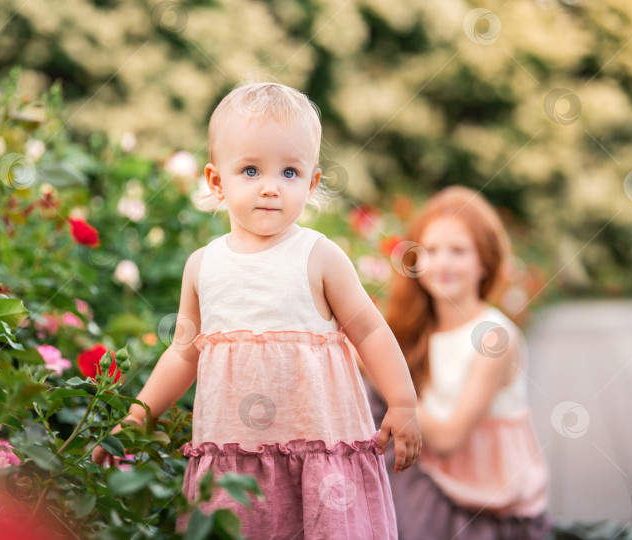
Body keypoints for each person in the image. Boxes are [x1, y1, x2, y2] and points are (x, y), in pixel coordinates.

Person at [93, 81, 421, 538]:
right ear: (216, 181)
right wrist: (138, 416)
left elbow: (369, 331)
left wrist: (402, 402)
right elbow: (183, 353)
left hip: (318, 456)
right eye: (250, 171)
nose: (270, 188)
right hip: (234, 462)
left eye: (289, 173)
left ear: (311, 183)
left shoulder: (319, 256)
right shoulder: (203, 266)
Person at [364, 186, 553, 540]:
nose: (443, 264)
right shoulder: (418, 327)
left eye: (458, 251)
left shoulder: (493, 336)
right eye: (431, 251)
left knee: (373, 387)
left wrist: (376, 371)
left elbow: (449, 438)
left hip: (482, 508)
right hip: (430, 479)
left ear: (485, 262)